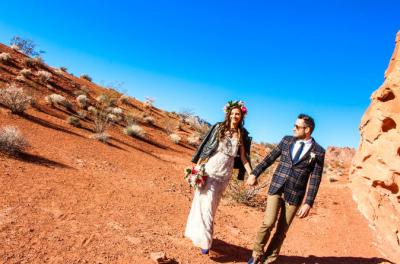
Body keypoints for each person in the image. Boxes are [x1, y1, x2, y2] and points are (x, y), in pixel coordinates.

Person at [246, 114, 325, 264]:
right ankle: (256, 255)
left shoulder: (318, 151)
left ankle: (269, 259)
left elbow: (315, 178)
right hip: (277, 186)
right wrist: (254, 173)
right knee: (268, 222)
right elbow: (269, 158)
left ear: (307, 129)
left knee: (282, 231)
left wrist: (308, 202)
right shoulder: (286, 140)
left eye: (297, 126)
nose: (293, 128)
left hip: (295, 194)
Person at [184, 100, 252, 254]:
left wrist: (251, 173)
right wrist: (196, 167)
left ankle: (198, 235)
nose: (235, 116)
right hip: (211, 170)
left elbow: (243, 158)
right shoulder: (219, 128)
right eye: (233, 113)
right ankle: (206, 243)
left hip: (225, 175)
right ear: (228, 114)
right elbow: (207, 147)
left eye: (238, 114)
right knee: (204, 205)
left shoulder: (242, 134)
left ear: (242, 116)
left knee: (211, 207)